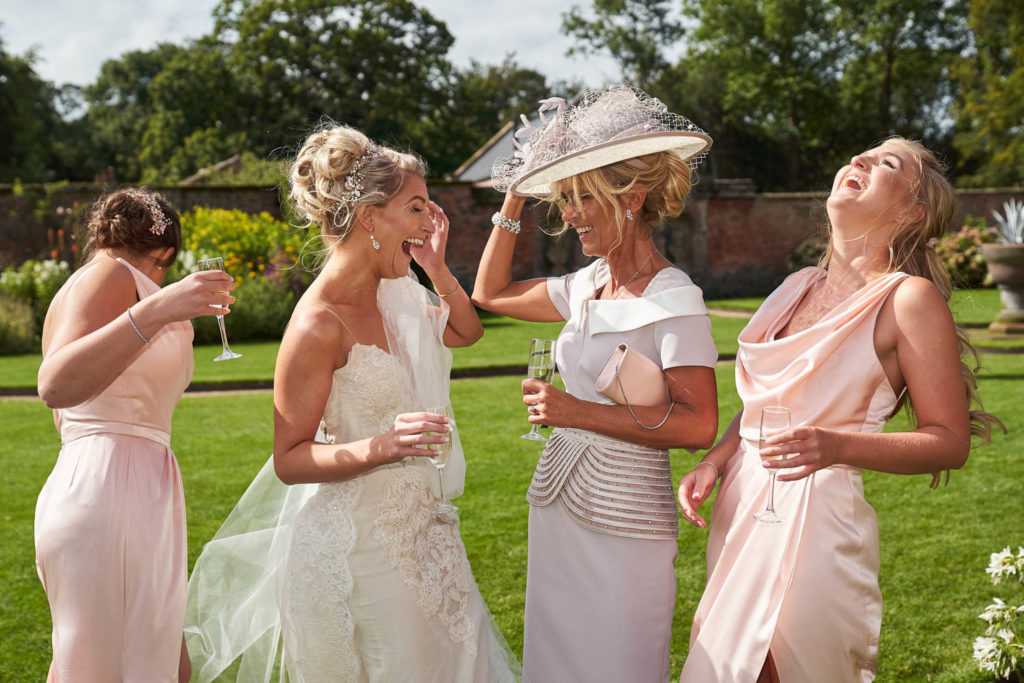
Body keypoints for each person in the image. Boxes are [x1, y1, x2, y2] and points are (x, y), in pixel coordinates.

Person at [185, 124, 520, 682]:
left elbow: (466, 333)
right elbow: (290, 458)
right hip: (361, 557)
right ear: (370, 217)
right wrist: (382, 446)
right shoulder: (317, 325)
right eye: (416, 208)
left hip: (430, 540)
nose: (428, 221)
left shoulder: (399, 291)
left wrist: (435, 268)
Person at [677, 137, 1003, 683]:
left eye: (886, 163)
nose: (861, 162)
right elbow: (765, 407)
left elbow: (949, 440)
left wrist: (835, 446)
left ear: (911, 211)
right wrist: (716, 460)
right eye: (862, 155)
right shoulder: (793, 287)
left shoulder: (909, 299)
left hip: (814, 522)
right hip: (743, 510)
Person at [473, 85, 720, 682]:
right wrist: (515, 191)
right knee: (557, 660)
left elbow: (699, 425)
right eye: (563, 199)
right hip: (557, 503)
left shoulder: (674, 298)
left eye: (583, 198)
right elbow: (489, 293)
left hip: (627, 515)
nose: (569, 215)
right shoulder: (583, 285)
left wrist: (573, 412)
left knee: (617, 660)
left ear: (632, 198)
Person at [35, 187, 235, 682]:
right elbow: (56, 385)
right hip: (112, 492)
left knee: (160, 661)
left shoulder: (85, 283)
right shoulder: (113, 275)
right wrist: (159, 308)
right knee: (121, 665)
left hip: (123, 486)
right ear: (165, 254)